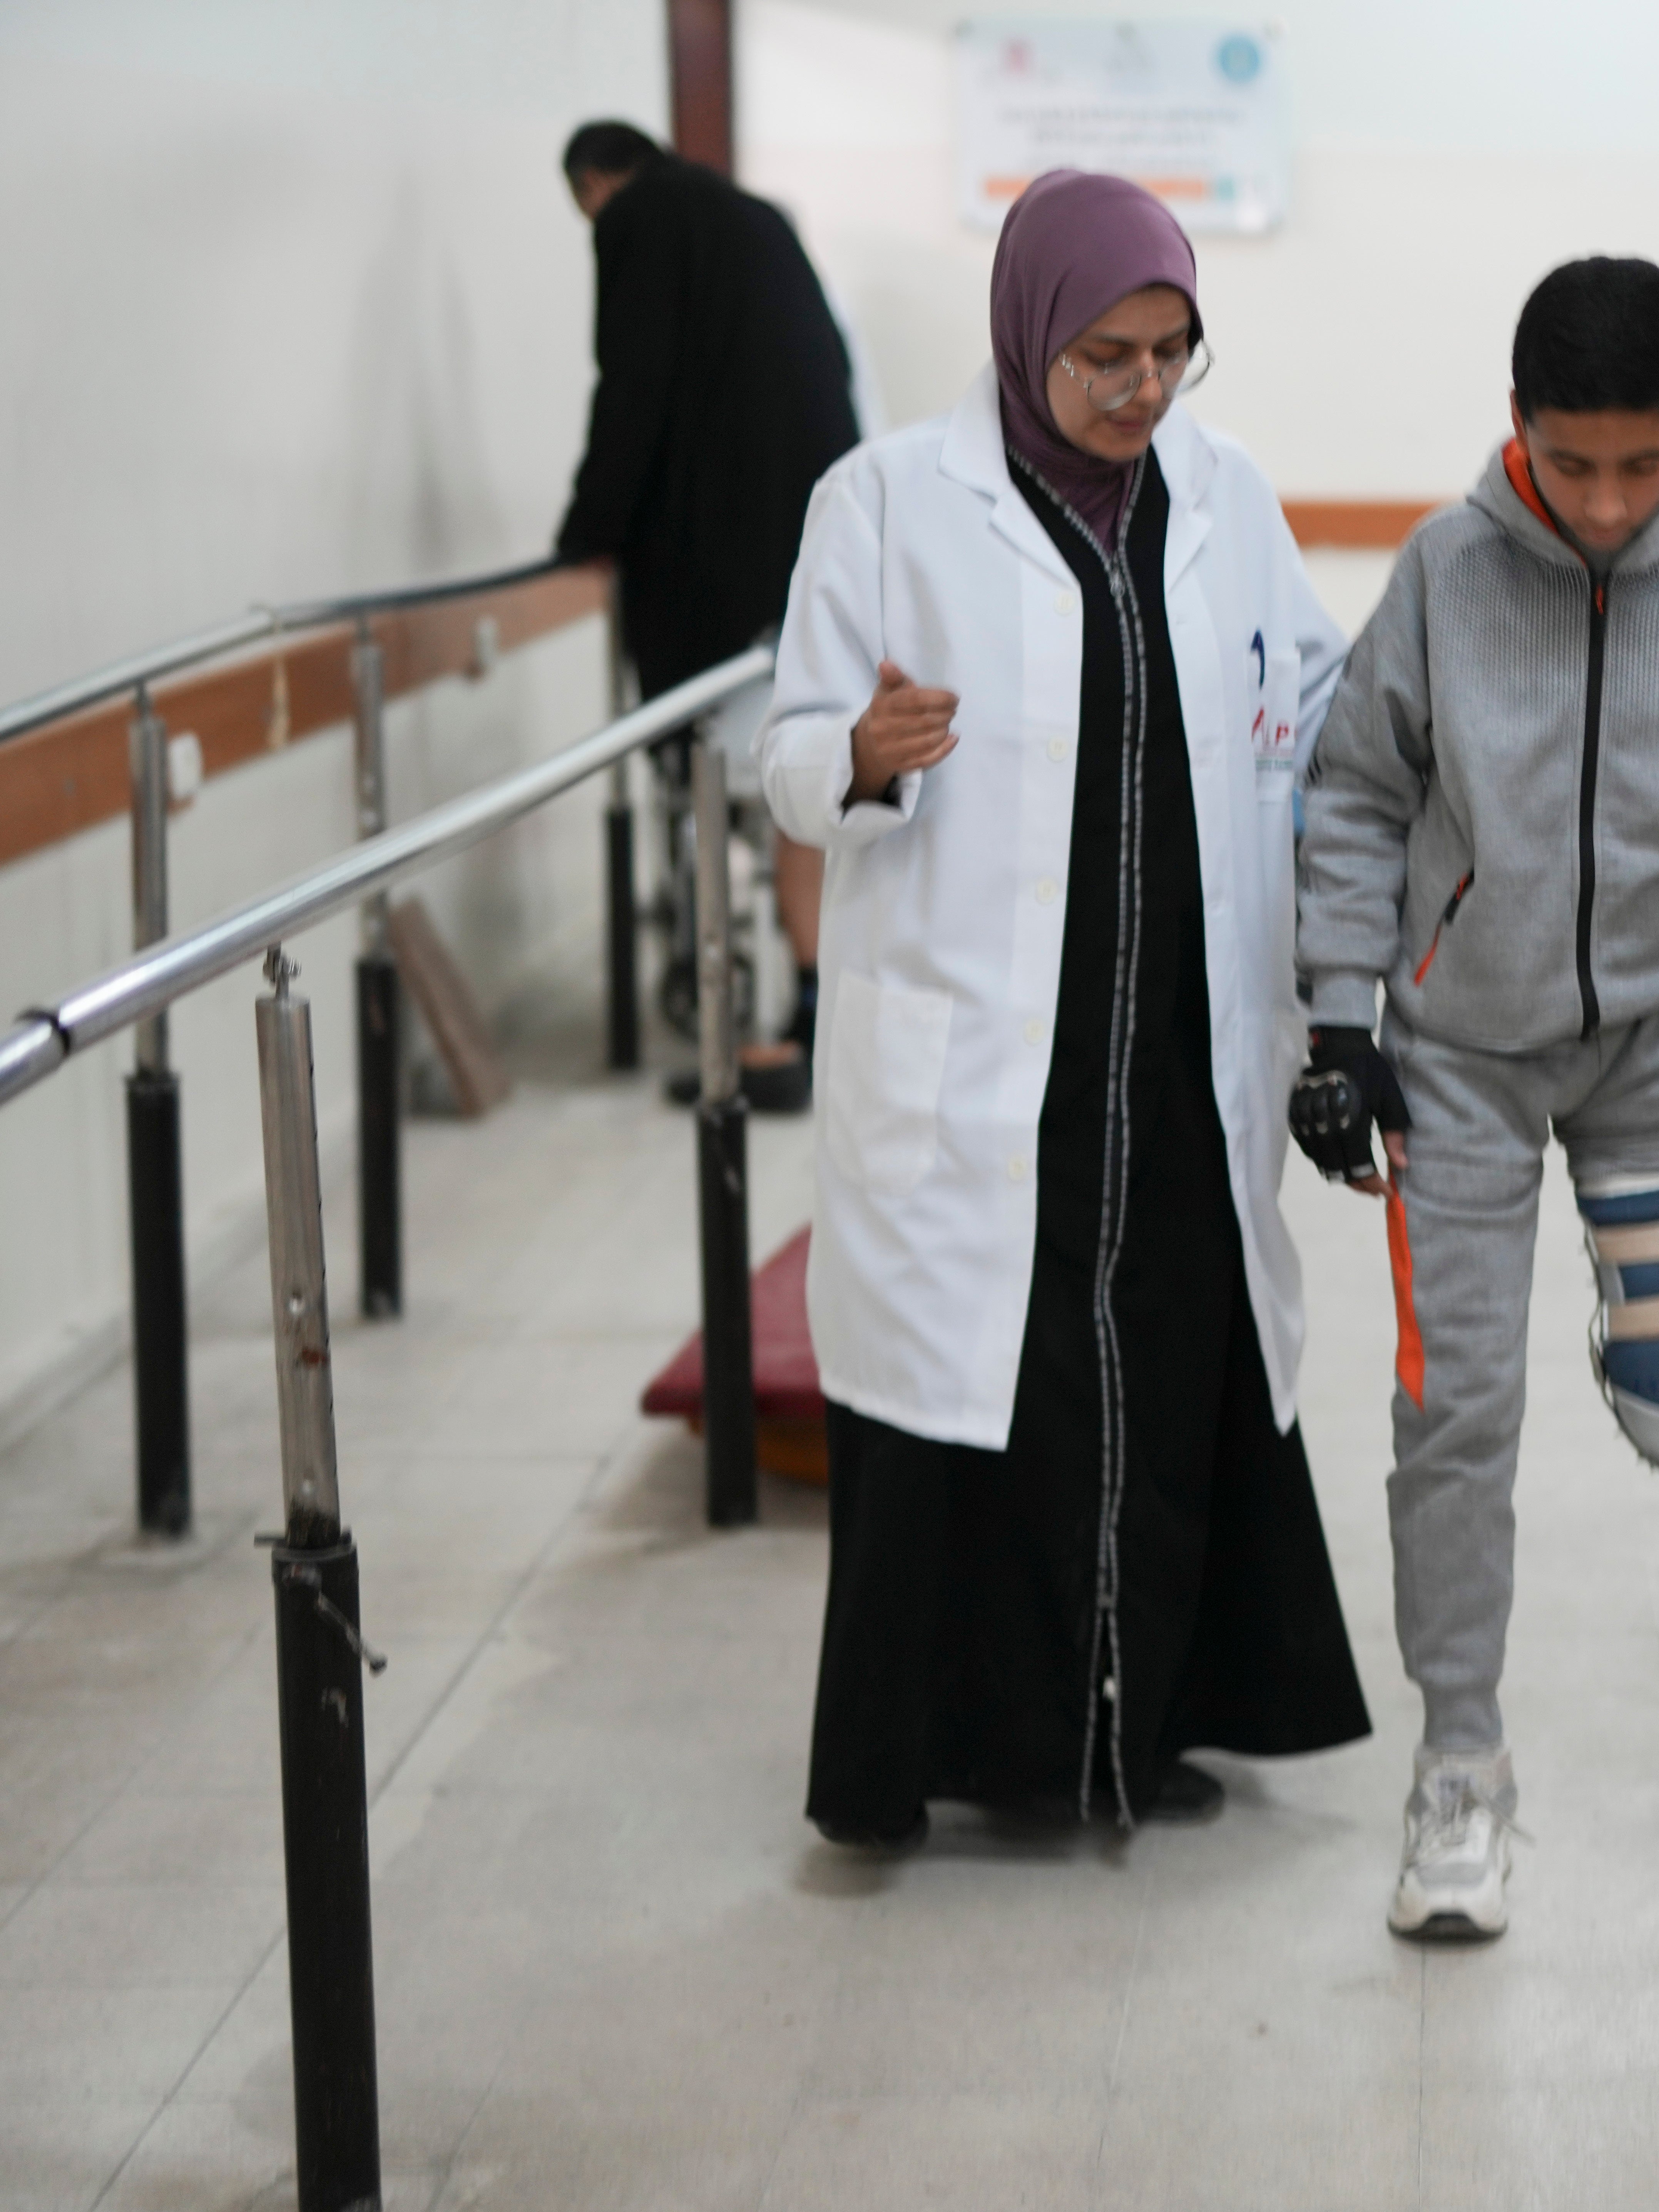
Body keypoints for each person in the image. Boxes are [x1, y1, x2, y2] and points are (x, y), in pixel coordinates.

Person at [758, 171, 1369, 1850]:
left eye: (1173, 351)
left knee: (1167, 1376)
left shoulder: (1224, 495)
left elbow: (1311, 699)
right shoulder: (882, 501)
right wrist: (858, 758)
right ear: (1031, 330)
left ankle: (1145, 1725)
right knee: (999, 1400)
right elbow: (788, 755)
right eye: (1107, 353)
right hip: (982, 1055)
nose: (1141, 389)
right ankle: (993, 1745)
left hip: (1175, 1031)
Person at [1292, 258, 1659, 1940]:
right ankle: (1461, 1759)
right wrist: (1337, 1024)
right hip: (1454, 1061)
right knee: (1456, 1404)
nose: (1610, 502)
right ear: (1518, 429)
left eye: (1643, 465)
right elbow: (1349, 801)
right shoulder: (1442, 570)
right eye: (1573, 464)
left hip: (1652, 1055)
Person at [555, 120, 856, 1104]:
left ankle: (759, 1026)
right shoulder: (757, 221)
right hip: (815, 547)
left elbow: (630, 385)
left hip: (718, 570)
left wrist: (585, 529)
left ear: (597, 183)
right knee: (808, 782)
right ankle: (814, 1011)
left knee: (723, 781)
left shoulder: (638, 218)